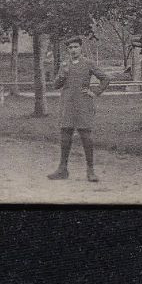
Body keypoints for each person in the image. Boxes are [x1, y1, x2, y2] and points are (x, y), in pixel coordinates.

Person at [48, 37, 110, 182]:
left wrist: (94, 92)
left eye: (76, 47)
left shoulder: (88, 63)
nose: (73, 50)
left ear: (81, 48)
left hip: (83, 105)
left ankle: (90, 171)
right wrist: (62, 73)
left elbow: (105, 79)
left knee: (86, 137)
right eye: (70, 48)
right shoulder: (64, 65)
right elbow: (55, 85)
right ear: (67, 50)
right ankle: (62, 170)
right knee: (65, 136)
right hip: (67, 105)